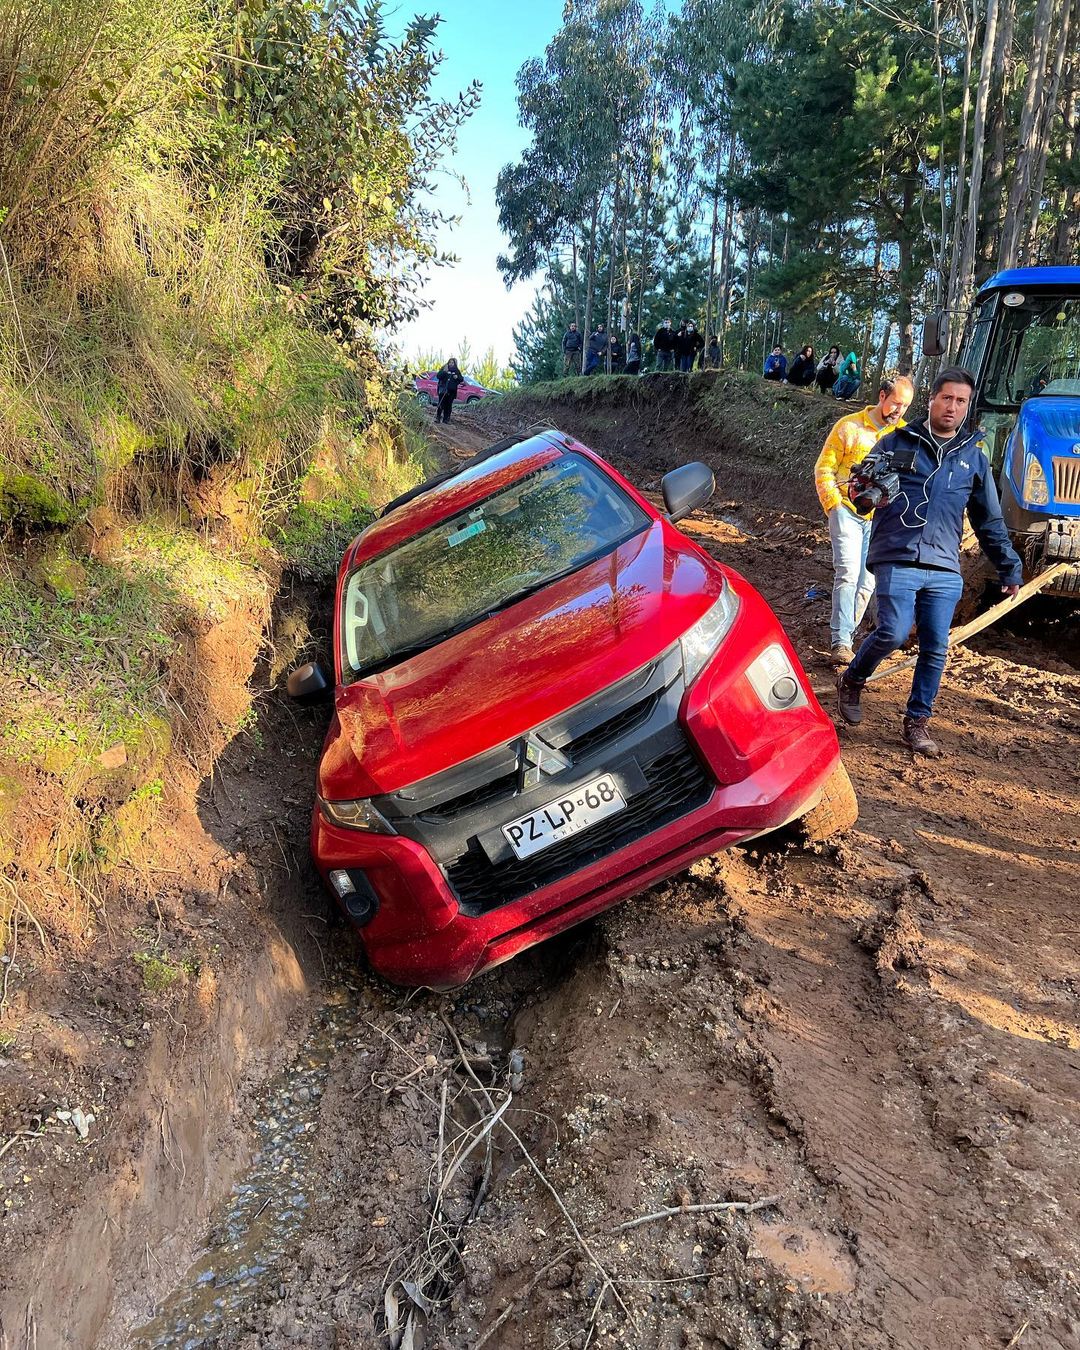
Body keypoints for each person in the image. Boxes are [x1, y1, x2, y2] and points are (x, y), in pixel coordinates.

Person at [836, 367, 1022, 757]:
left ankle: (917, 722)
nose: (952, 407)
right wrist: (865, 491)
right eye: (946, 398)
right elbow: (860, 493)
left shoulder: (973, 457)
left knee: (936, 646)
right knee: (894, 632)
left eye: (961, 401)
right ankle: (853, 678)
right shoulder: (895, 443)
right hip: (897, 555)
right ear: (932, 400)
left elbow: (988, 519)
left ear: (967, 407)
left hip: (943, 565)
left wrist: (1009, 567)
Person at [814, 376, 914, 665]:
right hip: (846, 508)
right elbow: (824, 467)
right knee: (847, 572)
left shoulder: (904, 436)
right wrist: (832, 503)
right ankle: (841, 641)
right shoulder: (849, 427)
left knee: (867, 582)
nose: (899, 410)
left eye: (905, 406)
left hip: (881, 518)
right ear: (882, 396)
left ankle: (849, 633)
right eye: (896, 403)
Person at [435, 358, 464, 423]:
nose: (451, 364)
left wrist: (457, 377)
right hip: (443, 390)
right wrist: (444, 372)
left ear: (455, 364)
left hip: (452, 391)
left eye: (452, 363)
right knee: (441, 403)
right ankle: (438, 418)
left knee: (448, 405)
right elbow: (438, 376)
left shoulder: (456, 371)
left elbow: (461, 379)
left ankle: (446, 419)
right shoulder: (444, 368)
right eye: (450, 362)